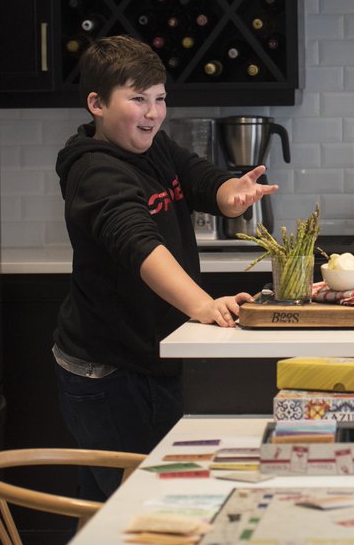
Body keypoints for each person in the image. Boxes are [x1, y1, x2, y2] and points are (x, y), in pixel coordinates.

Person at [52, 35, 277, 500]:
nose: (153, 112)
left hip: (149, 357)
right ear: (96, 103)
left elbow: (196, 176)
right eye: (138, 99)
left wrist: (229, 195)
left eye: (160, 98)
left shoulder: (150, 146)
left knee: (133, 500)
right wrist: (202, 304)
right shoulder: (94, 171)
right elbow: (141, 247)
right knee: (133, 507)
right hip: (107, 371)